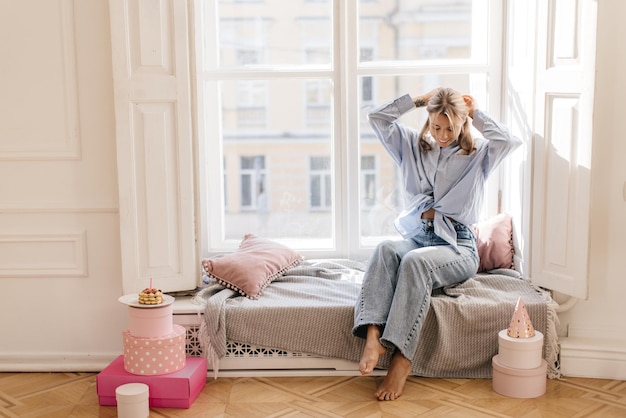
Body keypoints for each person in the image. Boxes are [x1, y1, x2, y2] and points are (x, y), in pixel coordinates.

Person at [352, 87, 522, 401]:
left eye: (450, 127)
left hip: (457, 246)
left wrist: (475, 113)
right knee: (386, 250)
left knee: (415, 263)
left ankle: (402, 361)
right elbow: (377, 118)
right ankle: (373, 334)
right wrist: (417, 101)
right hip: (418, 238)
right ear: (428, 121)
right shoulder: (412, 146)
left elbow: (509, 141)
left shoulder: (478, 155)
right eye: (435, 126)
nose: (442, 134)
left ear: (462, 123)